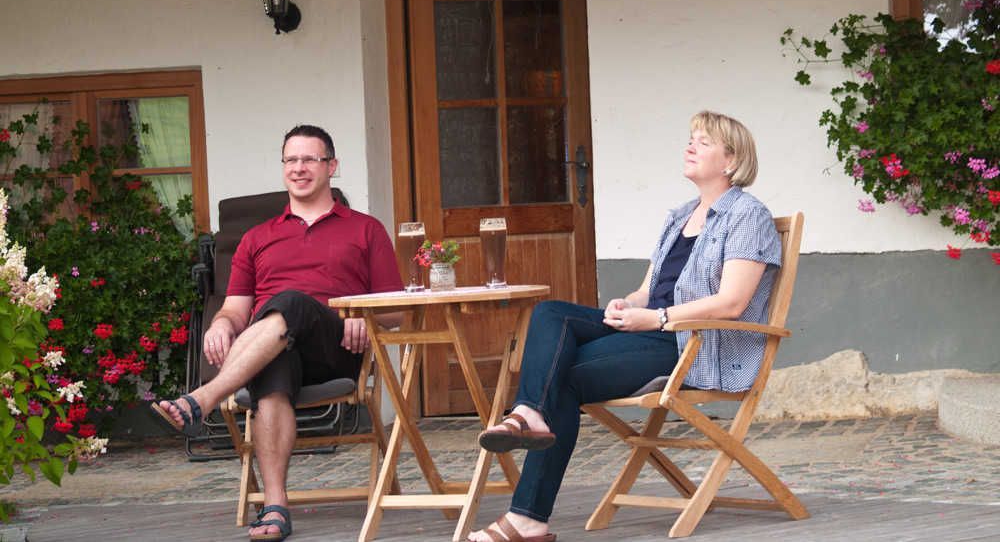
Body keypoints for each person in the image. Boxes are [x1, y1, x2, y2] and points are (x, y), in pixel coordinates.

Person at [469, 111, 783, 542]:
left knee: (563, 379)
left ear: (731, 160)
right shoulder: (680, 216)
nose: (690, 146)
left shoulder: (748, 216)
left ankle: (528, 517)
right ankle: (529, 414)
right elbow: (648, 290)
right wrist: (628, 305)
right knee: (549, 313)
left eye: (704, 142)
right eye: (691, 138)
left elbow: (732, 303)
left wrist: (656, 318)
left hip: (689, 344)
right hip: (649, 327)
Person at [151, 124, 403, 542]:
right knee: (272, 369)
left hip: (337, 349)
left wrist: (366, 313)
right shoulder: (257, 237)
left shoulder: (366, 229)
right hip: (272, 350)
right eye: (291, 160)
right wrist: (219, 325)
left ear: (332, 166)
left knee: (291, 301)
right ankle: (275, 506)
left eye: (310, 159)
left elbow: (396, 312)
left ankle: (204, 398)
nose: (299, 168)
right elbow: (234, 311)